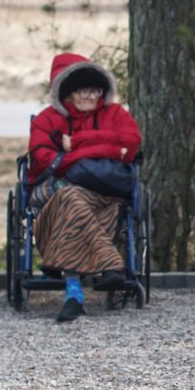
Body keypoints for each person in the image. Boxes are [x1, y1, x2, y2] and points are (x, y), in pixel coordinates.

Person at [27, 53, 142, 323]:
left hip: (107, 191)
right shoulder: (46, 119)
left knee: (72, 198)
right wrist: (107, 148)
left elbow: (131, 144)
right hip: (58, 194)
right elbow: (42, 157)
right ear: (67, 90)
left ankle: (74, 293)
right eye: (83, 90)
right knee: (71, 196)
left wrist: (78, 146)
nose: (91, 96)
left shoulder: (115, 114)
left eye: (95, 90)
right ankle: (110, 265)